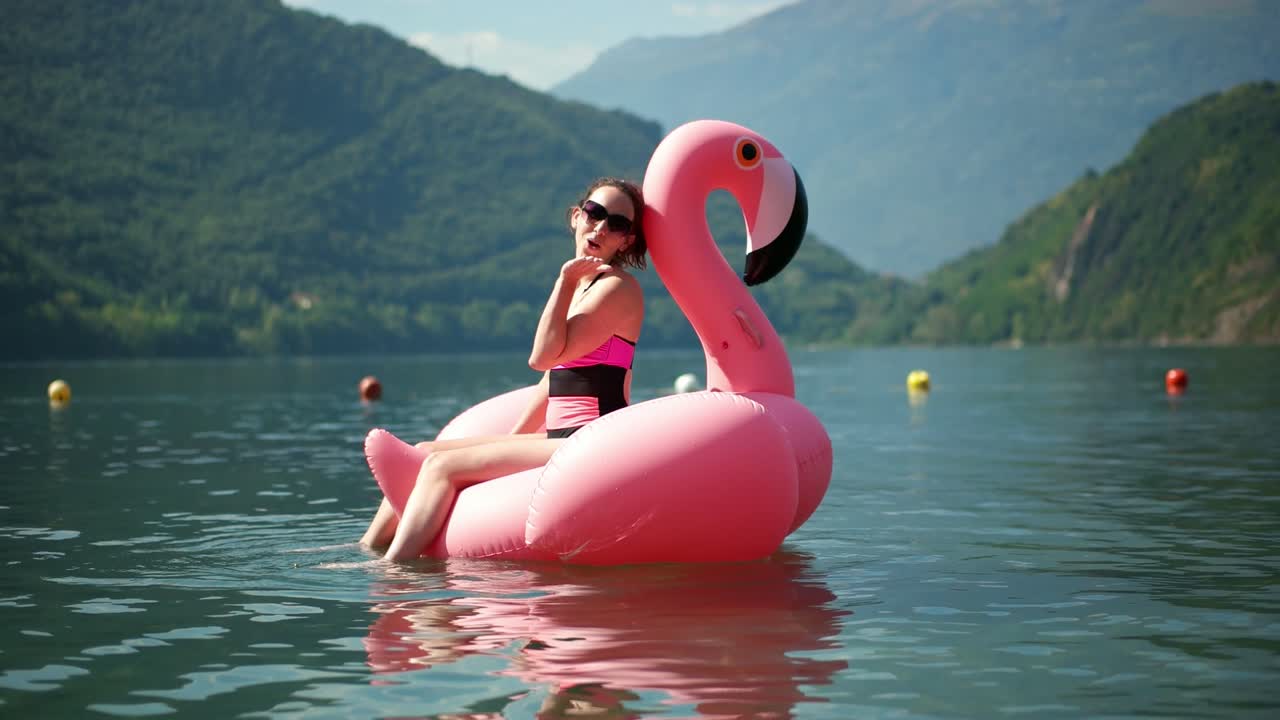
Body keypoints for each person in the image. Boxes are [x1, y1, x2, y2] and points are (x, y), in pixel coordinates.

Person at [361, 177, 647, 561]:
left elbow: (542, 358)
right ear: (577, 216)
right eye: (595, 214)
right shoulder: (585, 283)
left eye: (617, 223)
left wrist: (563, 281)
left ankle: (394, 572)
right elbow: (553, 378)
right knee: (423, 452)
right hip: (558, 437)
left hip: (589, 439)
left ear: (626, 240)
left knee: (443, 467)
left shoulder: (616, 289)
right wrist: (507, 443)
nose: (600, 227)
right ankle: (367, 550)